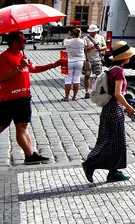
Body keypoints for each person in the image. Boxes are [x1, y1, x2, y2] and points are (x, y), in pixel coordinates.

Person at [81, 40, 135, 183]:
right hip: (114, 109)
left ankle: (113, 171)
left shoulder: (112, 68)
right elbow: (118, 94)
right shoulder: (118, 71)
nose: (130, 57)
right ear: (125, 57)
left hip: (108, 109)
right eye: (129, 55)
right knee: (114, 142)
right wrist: (129, 107)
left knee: (111, 141)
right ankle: (91, 163)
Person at [0, 32, 60, 164]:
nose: (25, 42)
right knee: (4, 125)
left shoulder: (22, 55)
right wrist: (19, 67)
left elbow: (34, 68)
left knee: (22, 126)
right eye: (23, 40)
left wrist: (54, 64)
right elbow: (2, 76)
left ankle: (30, 154)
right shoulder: (4, 57)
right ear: (14, 42)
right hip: (11, 98)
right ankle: (30, 155)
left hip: (23, 97)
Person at [82, 24, 106, 99]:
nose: (93, 33)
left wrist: (100, 49)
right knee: (87, 76)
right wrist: (92, 47)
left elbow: (105, 46)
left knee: (99, 76)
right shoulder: (85, 38)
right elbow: (84, 49)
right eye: (92, 32)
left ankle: (96, 90)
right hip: (88, 60)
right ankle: (87, 91)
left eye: (95, 32)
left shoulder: (100, 37)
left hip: (97, 59)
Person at [62, 27, 86, 101]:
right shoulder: (83, 41)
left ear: (72, 34)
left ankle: (66, 96)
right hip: (79, 61)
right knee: (76, 79)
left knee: (68, 79)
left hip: (69, 61)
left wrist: (68, 36)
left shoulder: (68, 41)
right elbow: (85, 44)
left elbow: (63, 43)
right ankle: (74, 96)